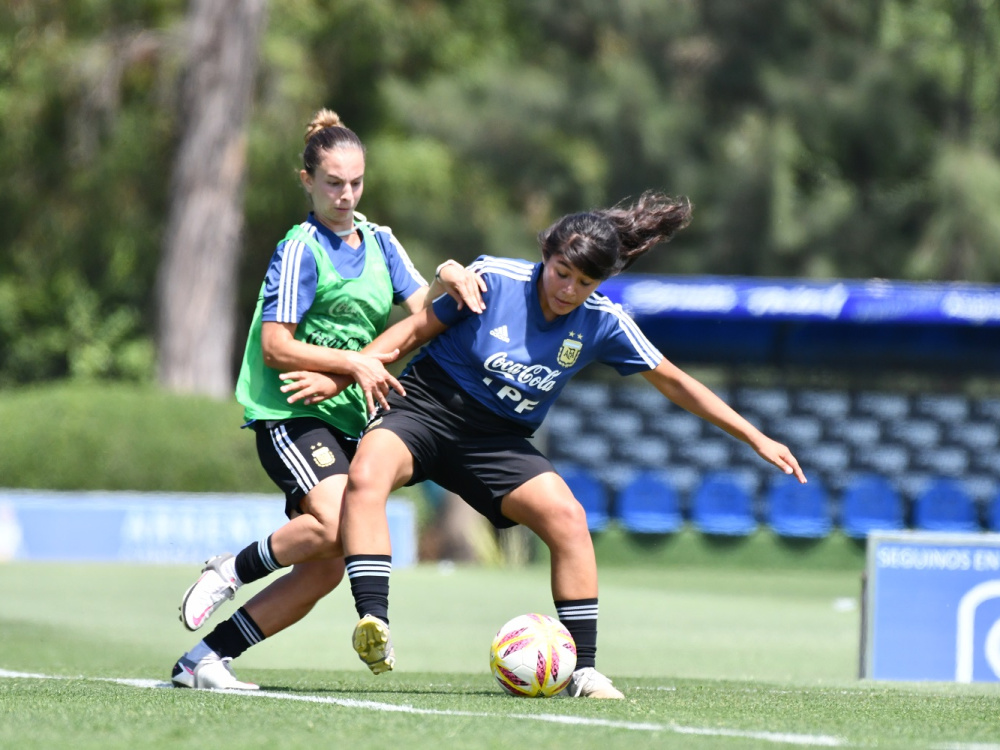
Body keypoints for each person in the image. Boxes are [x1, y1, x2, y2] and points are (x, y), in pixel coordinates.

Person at [281, 190, 807, 698]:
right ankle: (374, 620)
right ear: (546, 255)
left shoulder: (603, 322)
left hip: (496, 440)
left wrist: (756, 437)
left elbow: (675, 381)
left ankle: (585, 671)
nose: (569, 290)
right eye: (562, 273)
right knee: (367, 475)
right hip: (425, 407)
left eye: (585, 282)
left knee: (568, 518)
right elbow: (414, 331)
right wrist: (343, 375)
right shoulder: (494, 280)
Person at [170, 108, 485, 691]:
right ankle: (231, 568)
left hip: (349, 418)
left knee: (324, 568)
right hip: (290, 411)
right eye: (334, 183)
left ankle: (204, 660)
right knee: (342, 525)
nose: (346, 195)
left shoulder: (381, 242)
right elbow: (275, 346)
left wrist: (447, 272)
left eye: (356, 183)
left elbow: (424, 313)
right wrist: (355, 363)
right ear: (307, 181)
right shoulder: (300, 249)